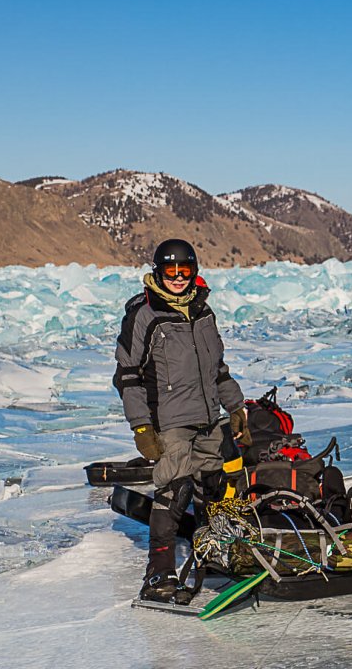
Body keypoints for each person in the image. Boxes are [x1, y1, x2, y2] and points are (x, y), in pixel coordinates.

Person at [113, 239, 247, 604]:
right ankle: (159, 573)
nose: (176, 278)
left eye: (183, 271)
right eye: (169, 271)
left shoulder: (203, 312)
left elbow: (217, 369)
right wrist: (141, 426)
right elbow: (127, 376)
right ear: (158, 271)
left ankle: (212, 554)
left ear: (194, 272)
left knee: (212, 489)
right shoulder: (145, 315)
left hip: (207, 417)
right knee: (174, 492)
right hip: (169, 421)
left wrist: (235, 407)